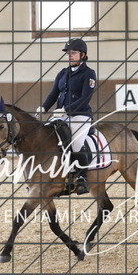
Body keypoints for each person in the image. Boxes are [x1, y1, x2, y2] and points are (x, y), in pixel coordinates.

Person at [36, 38, 96, 195]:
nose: (70, 55)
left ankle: (82, 178)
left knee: (75, 143)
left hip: (80, 115)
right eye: (68, 53)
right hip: (60, 114)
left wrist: (66, 110)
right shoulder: (63, 73)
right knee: (45, 137)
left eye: (73, 53)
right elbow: (53, 94)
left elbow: (85, 97)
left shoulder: (89, 74)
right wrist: (44, 107)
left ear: (83, 55)